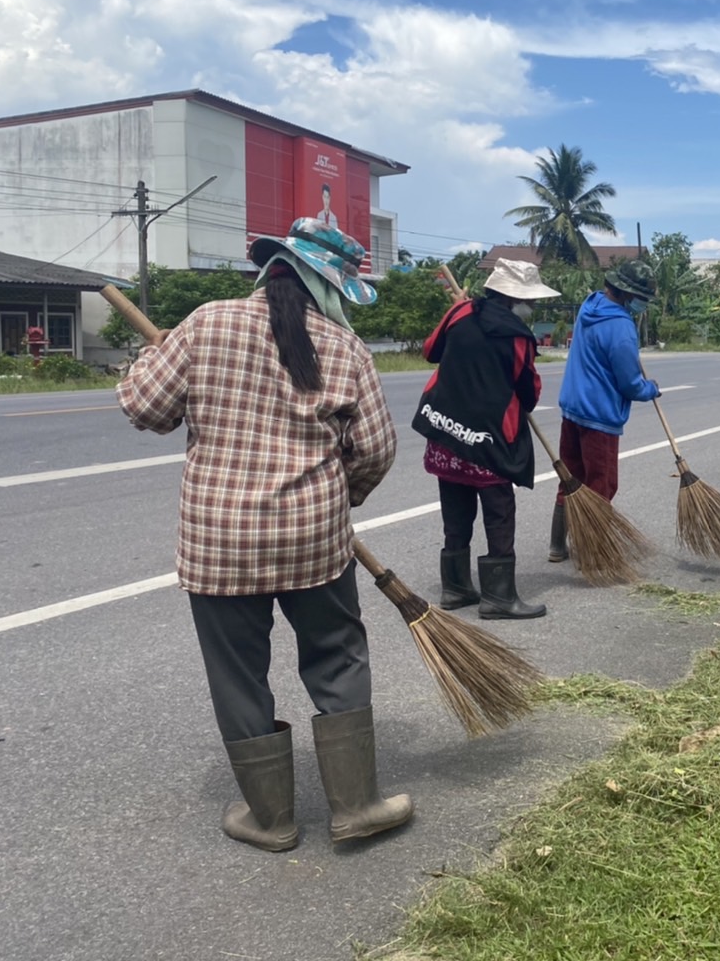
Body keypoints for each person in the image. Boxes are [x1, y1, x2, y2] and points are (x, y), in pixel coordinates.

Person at [116, 217, 409, 853]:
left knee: (237, 673)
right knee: (337, 654)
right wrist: (337, 498)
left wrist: (151, 357)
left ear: (272, 268)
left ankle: (271, 819)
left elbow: (146, 409)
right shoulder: (345, 348)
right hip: (314, 539)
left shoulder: (205, 323)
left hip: (219, 542)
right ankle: (357, 805)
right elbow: (377, 450)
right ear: (328, 287)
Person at [413, 258, 558, 620]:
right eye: (531, 301)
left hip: (446, 432)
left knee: (456, 508)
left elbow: (431, 351)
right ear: (514, 298)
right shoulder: (518, 337)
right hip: (488, 440)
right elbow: (529, 391)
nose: (533, 307)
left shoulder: (460, 312)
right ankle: (498, 597)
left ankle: (456, 588)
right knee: (498, 513)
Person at [547, 260, 660, 563]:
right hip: (599, 416)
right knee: (601, 483)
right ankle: (594, 551)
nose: (643, 304)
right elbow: (630, 384)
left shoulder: (590, 305)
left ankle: (557, 546)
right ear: (627, 293)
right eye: (642, 298)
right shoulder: (621, 327)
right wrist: (650, 389)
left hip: (572, 407)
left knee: (570, 478)